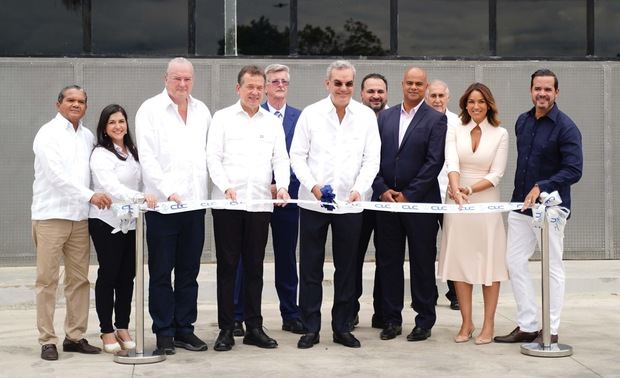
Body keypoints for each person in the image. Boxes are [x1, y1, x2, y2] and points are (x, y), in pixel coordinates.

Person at [290, 60, 380, 349]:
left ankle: (342, 327)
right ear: (327, 83)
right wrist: (314, 187)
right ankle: (311, 328)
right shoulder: (311, 114)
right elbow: (297, 156)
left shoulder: (366, 116)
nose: (344, 88)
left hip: (351, 205)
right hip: (313, 204)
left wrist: (359, 189)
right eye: (338, 83)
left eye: (349, 83)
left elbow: (371, 160)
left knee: (347, 268)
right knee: (311, 269)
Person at [494, 69, 583, 345]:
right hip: (521, 206)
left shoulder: (566, 127)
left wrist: (542, 185)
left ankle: (551, 329)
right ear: (531, 90)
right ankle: (528, 324)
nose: (542, 94)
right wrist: (526, 193)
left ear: (556, 93)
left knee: (552, 266)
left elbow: (574, 170)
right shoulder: (523, 121)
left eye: (547, 89)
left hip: (551, 210)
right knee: (514, 262)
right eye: (537, 88)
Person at [207, 65, 291, 352]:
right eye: (249, 87)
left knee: (255, 266)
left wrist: (282, 185)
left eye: (259, 87)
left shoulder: (271, 122)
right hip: (228, 203)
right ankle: (227, 328)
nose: (255, 92)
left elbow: (281, 158)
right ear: (238, 88)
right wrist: (225, 185)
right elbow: (213, 158)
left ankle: (254, 326)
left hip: (259, 204)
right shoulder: (222, 118)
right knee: (228, 267)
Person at [135, 57, 211, 355]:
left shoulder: (202, 110)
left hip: (194, 206)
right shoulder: (150, 110)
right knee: (162, 272)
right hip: (163, 208)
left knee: (189, 271)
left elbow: (209, 155)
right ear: (166, 78)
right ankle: (163, 331)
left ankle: (184, 329)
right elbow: (148, 158)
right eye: (177, 78)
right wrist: (170, 191)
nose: (182, 84)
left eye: (187, 79)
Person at [32, 85, 112, 361]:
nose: (76, 105)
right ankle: (47, 340)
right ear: (59, 104)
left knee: (79, 281)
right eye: (70, 100)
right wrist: (92, 196)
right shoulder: (47, 134)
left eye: (81, 101)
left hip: (79, 218)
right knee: (47, 281)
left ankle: (75, 336)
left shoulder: (88, 136)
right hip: (51, 216)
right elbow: (56, 176)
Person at [372, 67, 447, 342]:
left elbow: (434, 162)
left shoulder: (436, 120)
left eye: (419, 84)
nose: (414, 87)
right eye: (409, 83)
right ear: (402, 85)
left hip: (421, 204)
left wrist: (409, 194)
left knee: (422, 262)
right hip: (388, 204)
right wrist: (381, 189)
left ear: (425, 87)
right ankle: (391, 319)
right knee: (389, 261)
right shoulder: (386, 117)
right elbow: (372, 156)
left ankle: (424, 320)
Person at [231, 64, 305, 337]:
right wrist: (265, 187)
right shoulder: (249, 117)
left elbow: (300, 157)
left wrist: (283, 187)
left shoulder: (300, 118)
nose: (280, 86)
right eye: (274, 81)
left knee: (286, 257)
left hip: (286, 200)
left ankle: (290, 313)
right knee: (245, 259)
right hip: (254, 200)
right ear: (265, 86)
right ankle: (238, 315)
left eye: (284, 81)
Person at [437, 83, 509, 345]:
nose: (475, 106)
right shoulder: (455, 128)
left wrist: (469, 188)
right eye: (470, 102)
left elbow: (496, 174)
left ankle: (488, 325)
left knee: (489, 263)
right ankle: (466, 323)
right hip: (457, 201)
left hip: (486, 201)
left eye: (480, 101)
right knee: (460, 263)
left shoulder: (501, 133)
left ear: (489, 104)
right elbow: (451, 162)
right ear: (465, 105)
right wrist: (456, 190)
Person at [89, 104, 157, 353]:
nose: (118, 126)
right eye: (112, 122)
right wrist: (140, 197)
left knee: (128, 275)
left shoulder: (133, 152)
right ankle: (106, 330)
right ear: (104, 129)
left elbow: (144, 180)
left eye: (121, 121)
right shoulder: (100, 154)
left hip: (131, 223)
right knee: (109, 274)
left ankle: (122, 327)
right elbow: (110, 187)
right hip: (106, 221)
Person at [351, 73, 389, 330]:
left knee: (386, 259)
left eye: (380, 91)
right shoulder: (352, 118)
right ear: (361, 94)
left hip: (386, 200)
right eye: (370, 91)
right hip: (358, 199)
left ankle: (383, 313)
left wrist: (385, 189)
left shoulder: (395, 119)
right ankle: (349, 311)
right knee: (352, 258)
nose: (375, 96)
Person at [425, 79, 461, 311]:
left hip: (451, 192)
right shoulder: (421, 121)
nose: (437, 100)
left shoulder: (459, 122)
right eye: (433, 96)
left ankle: (456, 293)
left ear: (448, 98)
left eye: (441, 96)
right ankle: (429, 293)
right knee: (427, 246)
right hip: (427, 193)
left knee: (454, 245)